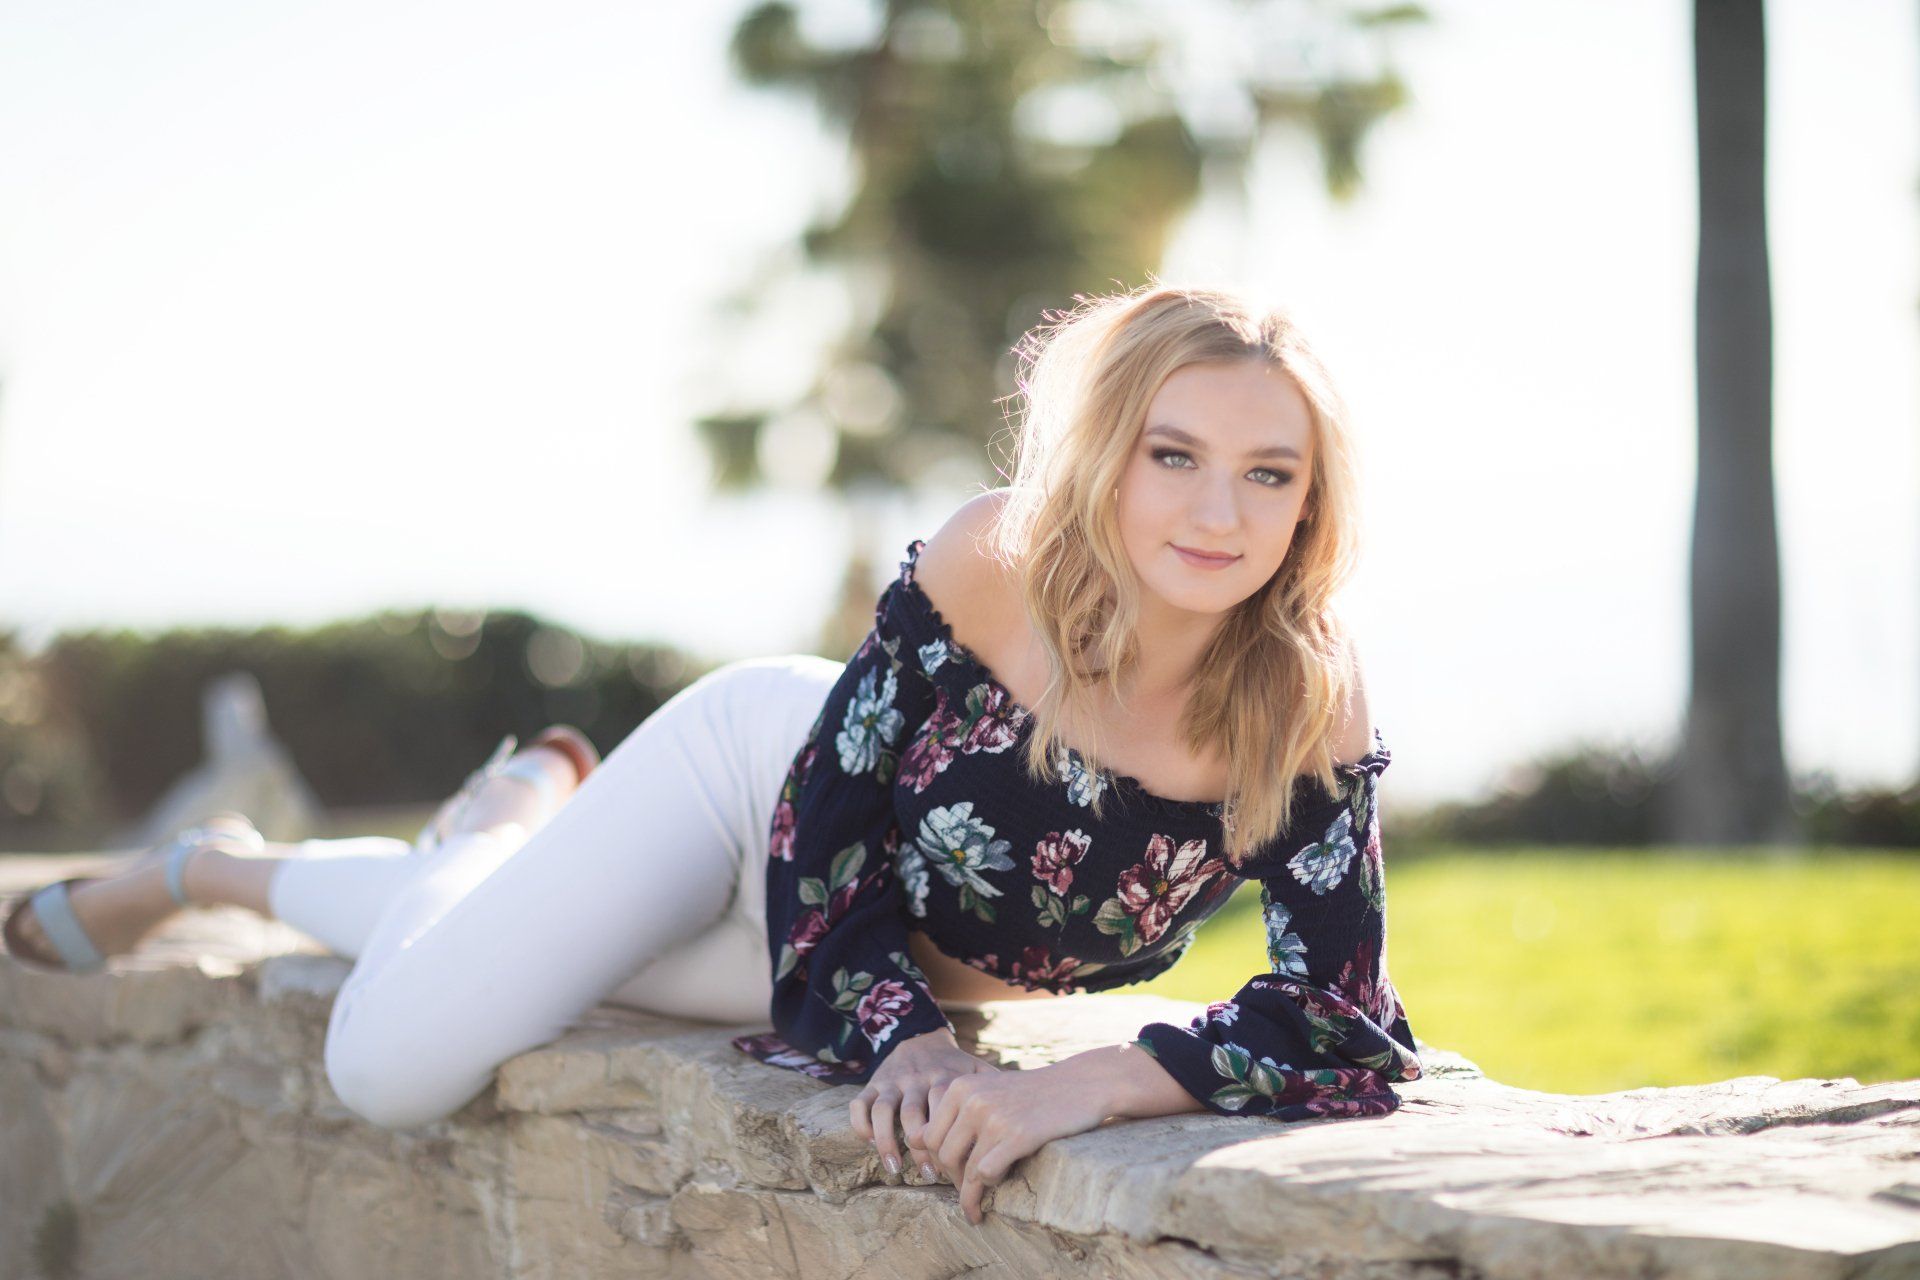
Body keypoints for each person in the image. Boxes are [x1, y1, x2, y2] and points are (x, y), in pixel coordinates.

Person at [2, 280, 1422, 1229]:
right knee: (390, 1066)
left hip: (862, 946)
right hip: (768, 801)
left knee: (531, 966)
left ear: (1312, 502)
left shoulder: (1304, 691)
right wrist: (911, 1042)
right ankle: (472, 843)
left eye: (1268, 473)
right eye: (1172, 455)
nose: (1217, 513)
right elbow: (835, 826)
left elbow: (1340, 1019)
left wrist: (1083, 1081)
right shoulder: (1003, 560)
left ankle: (243, 869)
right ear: (1106, 456)